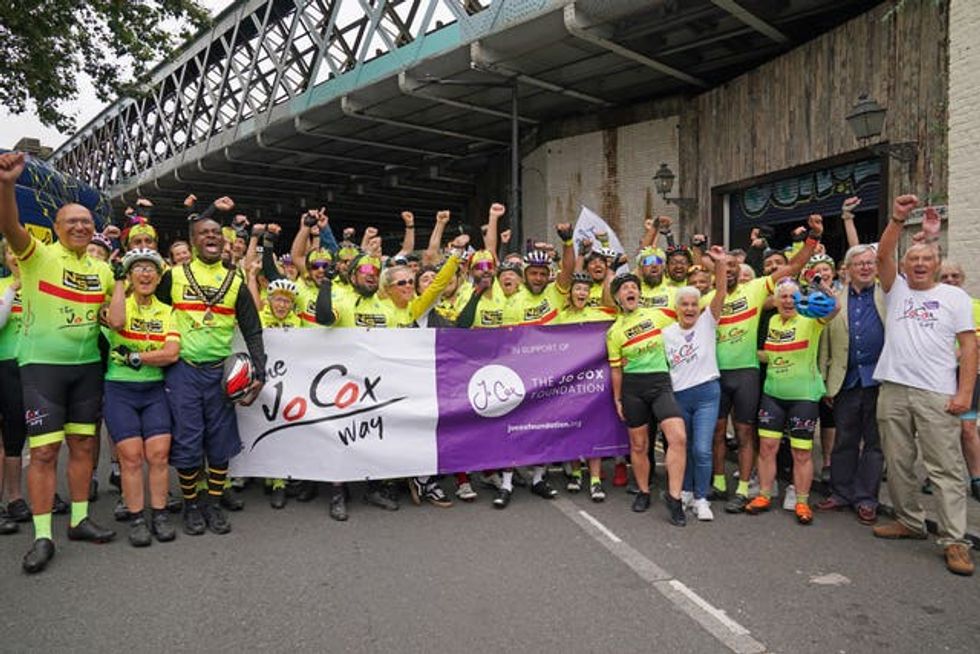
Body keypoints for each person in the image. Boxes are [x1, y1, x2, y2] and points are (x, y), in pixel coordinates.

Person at [0, 151, 117, 574]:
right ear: (56, 227)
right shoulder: (37, 256)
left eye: (87, 221)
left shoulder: (103, 271)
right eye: (72, 221)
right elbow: (10, 226)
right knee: (46, 452)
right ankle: (43, 534)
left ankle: (81, 519)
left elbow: (113, 315)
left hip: (87, 368)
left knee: (83, 445)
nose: (81, 226)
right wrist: (8, 185)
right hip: (42, 367)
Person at [871, 196, 976, 576]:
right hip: (894, 388)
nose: (919, 264)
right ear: (903, 266)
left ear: (937, 264)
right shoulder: (895, 289)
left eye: (926, 260)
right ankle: (910, 521)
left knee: (945, 467)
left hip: (936, 393)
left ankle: (954, 540)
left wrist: (964, 393)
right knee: (898, 462)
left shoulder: (954, 297)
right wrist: (898, 219)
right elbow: (881, 256)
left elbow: (968, 346)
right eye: (912, 259)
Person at [155, 213, 266, 537]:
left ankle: (213, 503)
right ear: (193, 240)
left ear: (224, 240)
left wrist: (259, 371)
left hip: (221, 374)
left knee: (220, 445)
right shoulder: (172, 276)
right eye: (204, 233)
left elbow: (253, 329)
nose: (211, 237)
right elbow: (154, 315)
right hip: (183, 372)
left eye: (216, 232)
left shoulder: (235, 283)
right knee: (188, 444)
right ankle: (191, 504)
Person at [710, 214, 823, 514]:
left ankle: (746, 488)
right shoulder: (712, 295)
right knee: (718, 432)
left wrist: (811, 239)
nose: (731, 271)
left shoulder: (758, 288)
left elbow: (794, 267)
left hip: (745, 373)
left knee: (746, 434)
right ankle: (719, 482)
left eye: (734, 267)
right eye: (726, 267)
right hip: (717, 373)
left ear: (742, 270)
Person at [744, 278, 840, 524]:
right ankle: (764, 494)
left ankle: (801, 501)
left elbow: (835, 308)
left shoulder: (811, 320)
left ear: (800, 299)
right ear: (775, 301)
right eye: (783, 296)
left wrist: (825, 290)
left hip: (803, 396)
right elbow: (770, 355)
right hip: (773, 393)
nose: (787, 301)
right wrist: (744, 354)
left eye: (792, 297)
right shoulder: (773, 321)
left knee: (801, 452)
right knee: (767, 448)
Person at [104, 248, 180, 546]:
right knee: (131, 458)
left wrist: (135, 356)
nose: (145, 274)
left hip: (153, 390)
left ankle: (159, 514)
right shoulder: (118, 301)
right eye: (138, 269)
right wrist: (120, 282)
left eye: (151, 269)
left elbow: (171, 354)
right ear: (130, 275)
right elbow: (117, 323)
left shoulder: (168, 311)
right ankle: (137, 518)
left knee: (159, 455)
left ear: (159, 277)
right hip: (120, 389)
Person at [607, 272, 688, 526]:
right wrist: (618, 400)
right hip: (633, 388)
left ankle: (674, 498)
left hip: (660, 382)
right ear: (618, 297)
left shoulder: (657, 315)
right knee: (639, 446)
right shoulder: (614, 331)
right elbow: (616, 369)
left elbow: (689, 316)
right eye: (625, 288)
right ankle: (643, 491)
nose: (631, 290)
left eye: (634, 287)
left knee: (678, 437)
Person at [816, 243, 886, 524]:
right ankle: (841, 492)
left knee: (874, 442)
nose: (866, 267)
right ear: (847, 270)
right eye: (860, 264)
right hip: (844, 380)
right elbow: (824, 342)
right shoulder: (835, 300)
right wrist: (823, 381)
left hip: (879, 380)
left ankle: (866, 498)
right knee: (844, 439)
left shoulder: (888, 296)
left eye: (870, 263)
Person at [663, 246, 727, 521]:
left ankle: (702, 498)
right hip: (679, 396)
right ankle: (686, 490)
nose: (689, 308)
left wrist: (721, 264)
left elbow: (721, 292)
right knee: (684, 448)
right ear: (676, 308)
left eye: (693, 304)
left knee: (702, 448)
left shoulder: (707, 323)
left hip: (707, 394)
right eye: (684, 304)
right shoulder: (666, 333)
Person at [554, 271, 616, 501]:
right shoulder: (559, 317)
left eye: (585, 289)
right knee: (572, 427)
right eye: (577, 289)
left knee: (594, 429)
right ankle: (576, 473)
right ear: (569, 293)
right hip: (569, 382)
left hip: (594, 382)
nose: (581, 292)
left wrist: (610, 270)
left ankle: (596, 479)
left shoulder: (599, 315)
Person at [936, 261, 980, 502]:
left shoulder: (974, 306)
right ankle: (938, 476)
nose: (951, 280)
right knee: (940, 429)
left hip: (968, 376)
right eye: (944, 277)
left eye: (955, 275)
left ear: (962, 278)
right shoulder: (934, 305)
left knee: (967, 429)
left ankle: (976, 477)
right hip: (939, 376)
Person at [0, 239, 27, 534]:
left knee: (21, 438)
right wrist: (12, 289)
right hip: (5, 365)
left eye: (20, 251)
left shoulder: (44, 285)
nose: (16, 256)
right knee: (5, 439)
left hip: (37, 367)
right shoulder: (1, 285)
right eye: (10, 252)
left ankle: (16, 498)